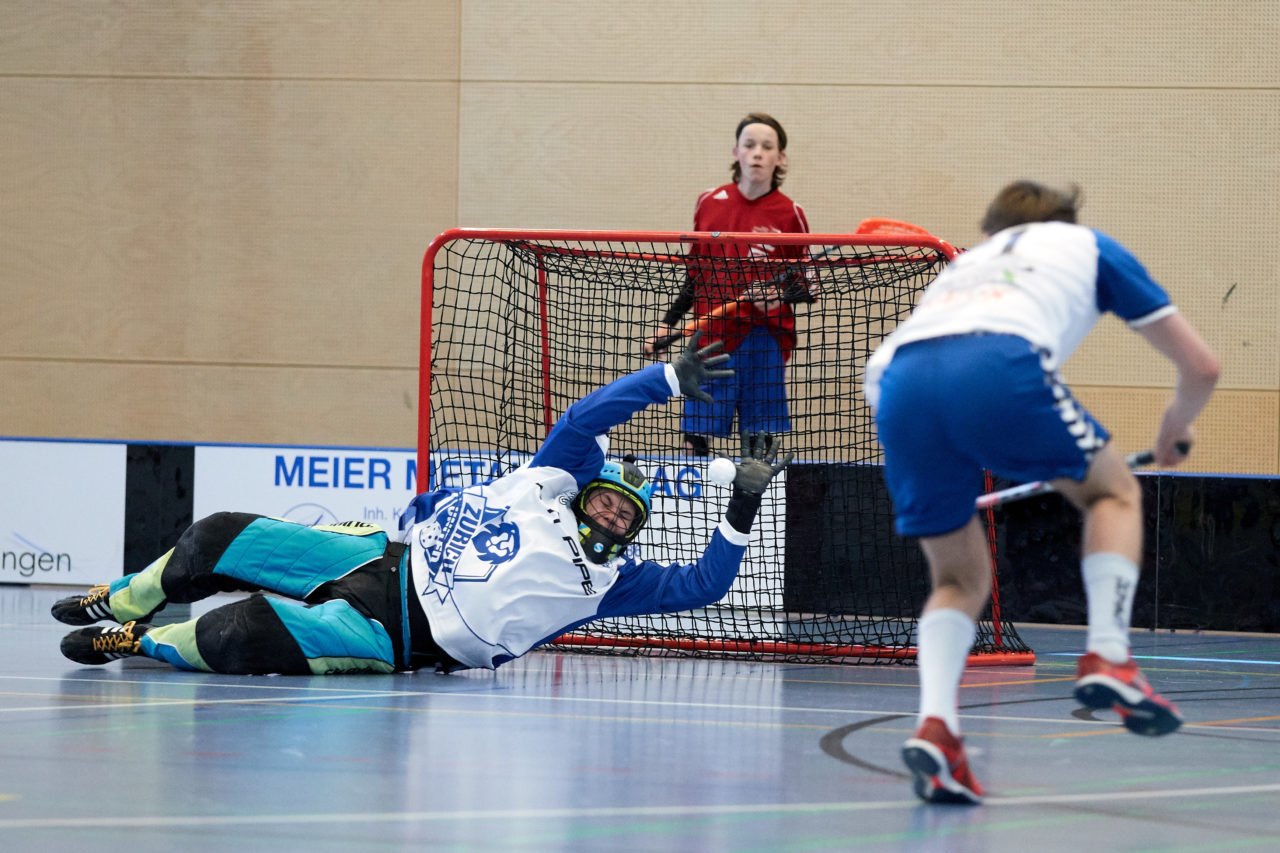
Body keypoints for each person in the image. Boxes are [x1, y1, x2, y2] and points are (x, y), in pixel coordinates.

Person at [53, 334, 794, 675]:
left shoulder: (610, 582)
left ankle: (140, 644)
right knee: (216, 534)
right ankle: (120, 600)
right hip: (381, 555)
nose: (611, 516)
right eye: (609, 502)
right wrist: (664, 378)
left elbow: (705, 584)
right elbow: (583, 421)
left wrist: (742, 506)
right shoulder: (551, 480)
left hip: (399, 631)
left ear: (630, 532)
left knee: (237, 632)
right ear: (592, 490)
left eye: (625, 519)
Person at [862, 180, 1220, 805]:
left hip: (897, 385)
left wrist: (952, 447)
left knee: (957, 579)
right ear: (1068, 218)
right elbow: (1202, 367)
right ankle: (1109, 655)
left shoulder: (971, 264)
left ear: (992, 230)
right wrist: (1173, 433)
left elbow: (920, 384)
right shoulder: (1089, 246)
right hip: (999, 364)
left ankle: (937, 726)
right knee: (1112, 494)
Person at [643, 112, 812, 456]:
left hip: (763, 340)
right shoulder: (709, 202)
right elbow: (695, 273)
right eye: (749, 145)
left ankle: (755, 505)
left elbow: (809, 288)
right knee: (695, 436)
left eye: (767, 147)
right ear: (736, 151)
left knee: (760, 440)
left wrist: (778, 294)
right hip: (710, 338)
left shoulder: (790, 213)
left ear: (780, 158)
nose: (757, 153)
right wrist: (668, 323)